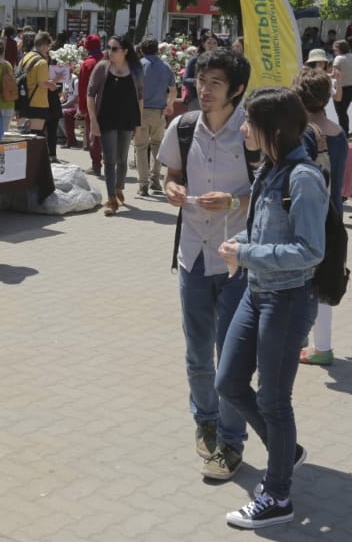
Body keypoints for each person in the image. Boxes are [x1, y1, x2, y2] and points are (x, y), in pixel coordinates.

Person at [216, 86, 324, 530]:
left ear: (272, 130)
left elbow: (308, 250)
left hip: (288, 298)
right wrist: (239, 244)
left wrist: (245, 256)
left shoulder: (303, 178)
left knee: (274, 400)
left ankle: (277, 495)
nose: (242, 129)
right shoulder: (272, 169)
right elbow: (263, 233)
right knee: (229, 382)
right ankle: (286, 451)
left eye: (249, 122)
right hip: (257, 291)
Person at [158, 48, 252, 483]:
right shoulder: (183, 127)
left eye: (216, 82)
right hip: (193, 254)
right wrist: (172, 188)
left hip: (238, 260)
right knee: (197, 352)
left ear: (236, 89)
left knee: (230, 358)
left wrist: (234, 201)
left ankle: (232, 442)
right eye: (201, 79)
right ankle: (206, 420)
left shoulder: (254, 135)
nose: (205, 88)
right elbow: (169, 174)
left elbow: (273, 192)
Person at [292, 69, 346, 368]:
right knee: (326, 278)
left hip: (307, 216)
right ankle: (319, 343)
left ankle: (313, 343)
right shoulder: (337, 132)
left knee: (303, 279)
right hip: (334, 214)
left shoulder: (303, 134)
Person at [87, 33, 144, 216]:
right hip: (106, 119)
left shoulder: (135, 69)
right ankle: (111, 199)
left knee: (122, 159)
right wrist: (94, 121)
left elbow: (140, 97)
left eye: (114, 49)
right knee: (110, 160)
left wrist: (139, 123)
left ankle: (119, 187)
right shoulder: (102, 67)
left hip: (127, 120)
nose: (109, 51)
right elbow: (90, 94)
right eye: (108, 48)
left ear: (125, 51)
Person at [135, 36, 176, 196]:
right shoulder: (165, 66)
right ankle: (155, 180)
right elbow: (173, 90)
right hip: (159, 112)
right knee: (158, 146)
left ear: (141, 50)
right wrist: (170, 105)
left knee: (140, 148)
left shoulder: (138, 66)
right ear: (158, 50)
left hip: (141, 111)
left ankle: (143, 184)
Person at [76, 34, 105, 176]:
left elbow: (83, 88)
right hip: (109, 104)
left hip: (92, 105)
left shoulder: (87, 64)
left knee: (94, 135)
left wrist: (82, 107)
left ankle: (96, 165)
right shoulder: (108, 61)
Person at [19, 31, 56, 135]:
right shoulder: (42, 62)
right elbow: (42, 83)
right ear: (44, 45)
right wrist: (52, 85)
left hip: (23, 101)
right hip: (38, 103)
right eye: (48, 46)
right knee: (36, 136)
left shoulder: (25, 58)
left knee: (23, 136)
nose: (48, 49)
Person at [182, 33, 219, 111]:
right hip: (197, 98)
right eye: (209, 43)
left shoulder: (220, 61)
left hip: (216, 98)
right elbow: (185, 80)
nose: (211, 46)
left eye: (214, 43)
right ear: (203, 44)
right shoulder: (195, 60)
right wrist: (200, 82)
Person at [330, 40, 352, 136]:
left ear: (339, 49)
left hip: (341, 88)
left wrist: (323, 75)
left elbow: (334, 74)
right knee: (343, 112)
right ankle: (345, 133)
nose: (334, 51)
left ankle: (344, 133)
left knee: (341, 112)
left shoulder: (338, 58)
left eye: (335, 49)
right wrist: (350, 75)